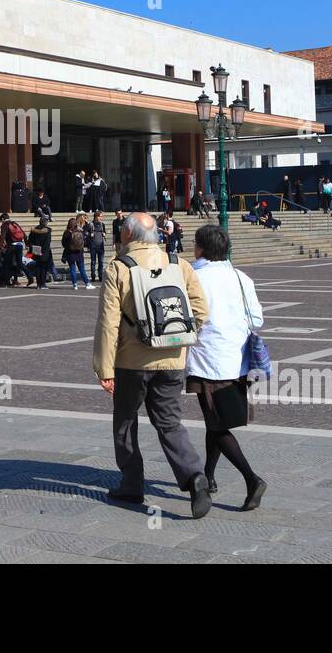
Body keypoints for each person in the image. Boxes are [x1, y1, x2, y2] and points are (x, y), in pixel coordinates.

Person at [94, 211, 212, 518]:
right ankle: (194, 477)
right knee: (170, 421)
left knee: (125, 421)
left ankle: (132, 483)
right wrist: (179, 337)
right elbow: (201, 309)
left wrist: (104, 368)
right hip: (173, 358)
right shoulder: (178, 264)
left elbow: (108, 323)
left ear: (129, 236)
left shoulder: (119, 268)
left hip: (132, 361)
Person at [185, 224, 267, 510]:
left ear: (201, 248)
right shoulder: (240, 276)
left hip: (208, 361)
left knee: (217, 425)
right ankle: (209, 474)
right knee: (215, 422)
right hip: (239, 360)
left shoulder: (194, 277)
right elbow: (256, 320)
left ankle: (251, 478)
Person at [60, 216, 93, 289]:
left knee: (72, 269)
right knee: (82, 269)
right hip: (79, 252)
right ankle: (87, 283)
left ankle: (75, 285)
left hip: (69, 253)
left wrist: (68, 246)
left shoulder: (66, 232)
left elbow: (63, 243)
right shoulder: (79, 231)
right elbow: (84, 240)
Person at [24, 219, 53, 289]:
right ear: (46, 223)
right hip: (44, 251)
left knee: (38, 267)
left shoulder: (33, 230)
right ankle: (42, 284)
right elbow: (47, 243)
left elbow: (29, 241)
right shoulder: (48, 231)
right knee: (43, 268)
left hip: (36, 249)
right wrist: (44, 252)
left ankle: (38, 284)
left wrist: (32, 248)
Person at [88, 210, 108, 282]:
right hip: (93, 245)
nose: (101, 218)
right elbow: (86, 234)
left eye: (101, 217)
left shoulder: (102, 225)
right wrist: (90, 235)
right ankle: (93, 276)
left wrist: (104, 234)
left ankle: (100, 276)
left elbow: (104, 232)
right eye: (100, 216)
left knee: (101, 262)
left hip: (101, 245)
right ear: (96, 217)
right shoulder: (91, 225)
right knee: (93, 262)